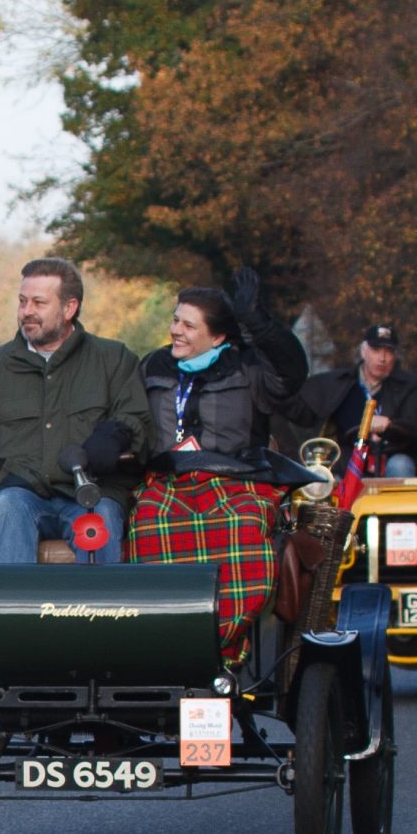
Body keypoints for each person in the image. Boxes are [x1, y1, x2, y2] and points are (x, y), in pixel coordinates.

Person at [122, 277, 308, 654]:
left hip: (235, 480)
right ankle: (168, 639)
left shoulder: (248, 366)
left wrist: (258, 322)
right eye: (175, 320)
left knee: (244, 525)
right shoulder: (154, 364)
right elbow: (129, 419)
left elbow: (291, 373)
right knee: (147, 523)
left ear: (218, 337)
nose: (176, 330)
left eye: (189, 325)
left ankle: (220, 642)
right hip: (168, 481)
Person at [0, 257, 150, 566]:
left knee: (102, 516)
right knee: (6, 506)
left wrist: (117, 434)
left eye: (39, 302)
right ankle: (10, 599)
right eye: (22, 302)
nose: (26, 311)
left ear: (69, 308)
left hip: (91, 493)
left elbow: (138, 417)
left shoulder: (113, 359)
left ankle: (97, 599)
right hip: (18, 493)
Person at [291, 322, 417, 476]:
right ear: (363, 352)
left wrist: (390, 425)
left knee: (401, 465)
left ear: (395, 356)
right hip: (348, 458)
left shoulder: (413, 387)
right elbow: (301, 413)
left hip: (393, 457)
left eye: (388, 352)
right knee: (326, 468)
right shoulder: (337, 385)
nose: (382, 358)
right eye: (376, 350)